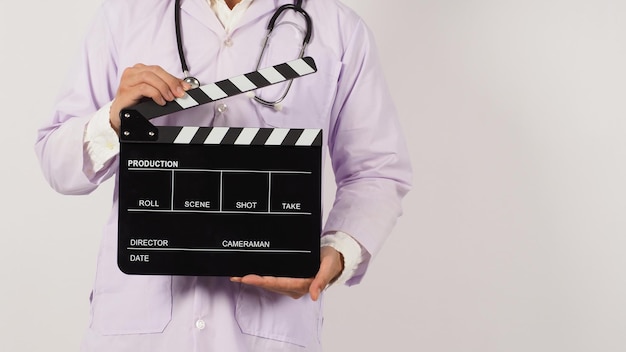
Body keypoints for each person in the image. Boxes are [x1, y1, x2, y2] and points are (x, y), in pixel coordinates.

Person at [34, 0, 412, 351]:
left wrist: (336, 253)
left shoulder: (340, 30)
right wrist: (114, 118)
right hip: (137, 328)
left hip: (268, 330)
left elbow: (375, 170)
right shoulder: (126, 16)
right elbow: (58, 163)